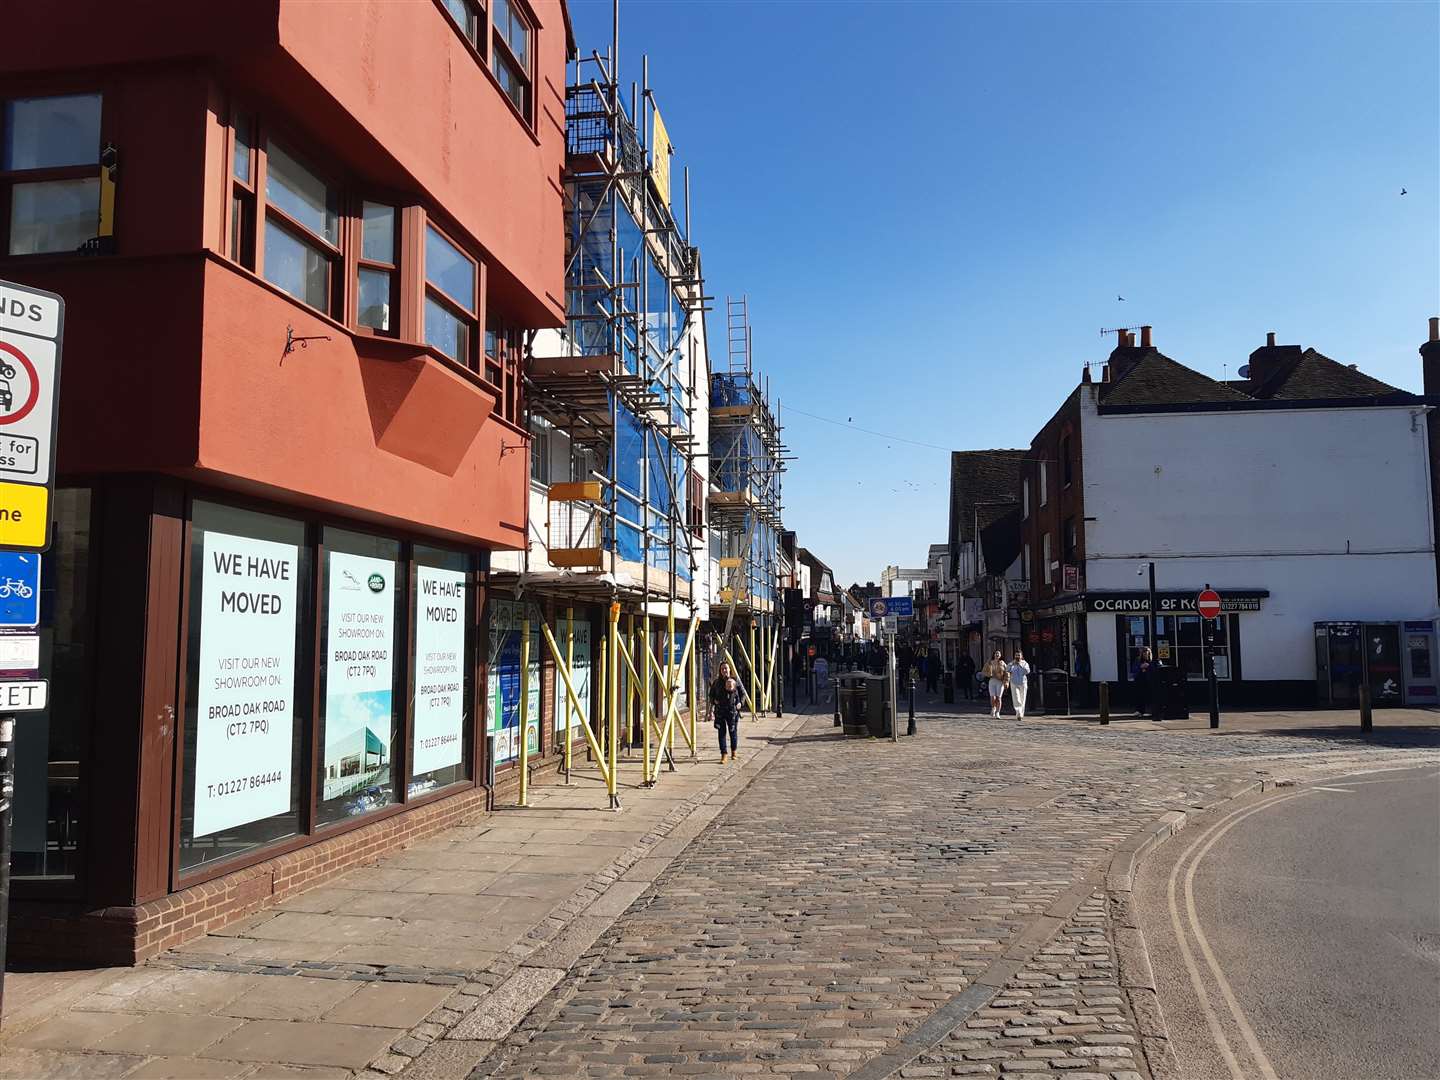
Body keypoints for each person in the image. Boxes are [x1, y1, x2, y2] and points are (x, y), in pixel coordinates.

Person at [708, 660, 744, 764]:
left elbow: (743, 693)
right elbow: (711, 695)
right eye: (722, 669)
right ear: (720, 670)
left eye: (726, 668)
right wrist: (713, 700)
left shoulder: (736, 680)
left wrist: (740, 703)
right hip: (720, 711)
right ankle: (724, 754)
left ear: (729, 669)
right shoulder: (717, 682)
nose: (724, 670)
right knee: (721, 733)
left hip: (733, 711)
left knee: (733, 732)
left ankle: (734, 751)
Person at [982, 649, 1009, 718]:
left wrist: (1006, 681)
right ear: (994, 654)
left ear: (1000, 655)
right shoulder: (990, 662)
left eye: (998, 654)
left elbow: (1007, 672)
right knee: (992, 697)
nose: (997, 655)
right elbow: (984, 671)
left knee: (999, 698)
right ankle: (993, 708)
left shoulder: (1002, 663)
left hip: (1000, 681)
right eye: (996, 653)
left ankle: (998, 712)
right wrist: (988, 674)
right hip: (992, 681)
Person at [1008, 649, 1032, 719]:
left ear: (1021, 656)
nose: (1017, 656)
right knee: (1016, 697)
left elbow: (1027, 671)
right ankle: (1018, 711)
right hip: (1014, 682)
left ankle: (1020, 714)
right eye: (1016, 655)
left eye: (1019, 655)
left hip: (1022, 682)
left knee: (1022, 698)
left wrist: (1020, 665)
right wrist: (1012, 665)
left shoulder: (1025, 663)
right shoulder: (1012, 663)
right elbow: (1007, 669)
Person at [1131, 646, 1153, 718]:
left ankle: (1153, 711)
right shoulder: (1138, 660)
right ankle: (1139, 711)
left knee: (1151, 696)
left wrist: (1148, 667)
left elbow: (1157, 669)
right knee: (1139, 696)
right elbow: (1134, 669)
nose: (1145, 654)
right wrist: (1141, 667)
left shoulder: (1152, 660)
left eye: (1147, 653)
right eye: (1144, 653)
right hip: (1140, 680)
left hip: (1150, 681)